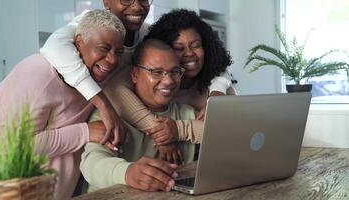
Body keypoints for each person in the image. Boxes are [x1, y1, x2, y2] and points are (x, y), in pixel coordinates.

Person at [41, 1, 234, 162]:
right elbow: (54, 47)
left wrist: (217, 90)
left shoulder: (147, 36)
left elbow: (234, 131)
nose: (136, 6)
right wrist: (162, 133)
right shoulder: (88, 24)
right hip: (72, 135)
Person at [0, 10, 126, 200]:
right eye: (104, 48)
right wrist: (85, 132)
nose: (113, 59)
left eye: (118, 51)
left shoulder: (100, 73)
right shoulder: (37, 76)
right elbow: (18, 145)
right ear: (78, 43)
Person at [80, 39, 196, 192]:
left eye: (174, 72)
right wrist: (127, 173)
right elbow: (92, 163)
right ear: (134, 75)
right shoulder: (110, 115)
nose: (168, 81)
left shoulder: (187, 113)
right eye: (156, 72)